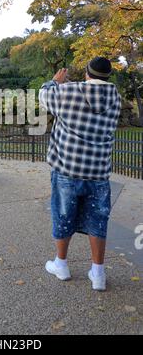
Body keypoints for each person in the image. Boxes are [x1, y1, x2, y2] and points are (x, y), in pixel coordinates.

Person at [39, 57, 121, 291]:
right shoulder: (115, 97)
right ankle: (98, 274)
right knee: (98, 222)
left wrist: (54, 82)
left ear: (87, 73)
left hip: (68, 169)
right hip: (98, 172)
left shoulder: (68, 92)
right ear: (107, 76)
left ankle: (61, 264)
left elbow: (45, 97)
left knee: (63, 217)